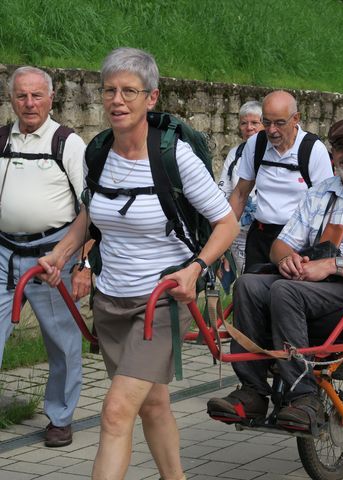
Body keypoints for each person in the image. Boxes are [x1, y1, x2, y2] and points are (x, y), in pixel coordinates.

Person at [38, 48, 238, 480]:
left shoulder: (175, 157)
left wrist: (195, 268)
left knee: (114, 412)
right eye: (109, 90)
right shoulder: (100, 153)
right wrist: (61, 254)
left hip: (161, 303)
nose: (117, 100)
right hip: (112, 301)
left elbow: (227, 223)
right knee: (153, 402)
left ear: (152, 98)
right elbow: (90, 216)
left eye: (129, 90)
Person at [208, 118, 343, 432]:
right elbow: (280, 244)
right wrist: (287, 260)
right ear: (332, 153)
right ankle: (253, 392)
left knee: (285, 292)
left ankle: (304, 397)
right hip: (313, 287)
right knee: (249, 285)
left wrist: (333, 265)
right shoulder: (320, 193)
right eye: (342, 147)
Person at [0, 66, 91, 447]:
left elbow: (92, 208)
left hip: (53, 255)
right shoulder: (2, 139)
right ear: (11, 99)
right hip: (4, 252)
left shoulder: (67, 143)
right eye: (21, 95)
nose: (29, 103)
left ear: (51, 98)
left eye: (37, 95)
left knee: (61, 341)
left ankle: (59, 417)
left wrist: (83, 263)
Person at [228, 90, 333, 270]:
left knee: (284, 295)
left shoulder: (313, 149)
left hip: (297, 241)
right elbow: (240, 193)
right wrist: (222, 236)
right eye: (266, 122)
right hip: (260, 236)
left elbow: (327, 205)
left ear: (296, 118)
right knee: (250, 291)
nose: (271, 130)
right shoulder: (256, 144)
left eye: (279, 123)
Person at [218, 100, 263, 274]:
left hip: (263, 232)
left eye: (254, 123)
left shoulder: (272, 154)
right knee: (243, 280)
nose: (248, 127)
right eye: (244, 123)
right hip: (238, 232)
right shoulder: (235, 153)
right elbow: (224, 191)